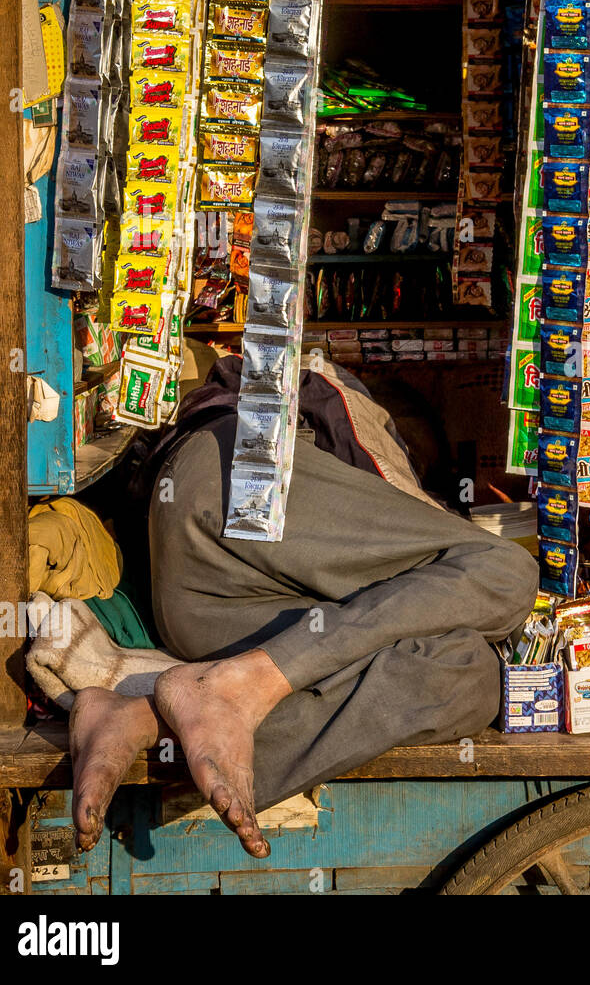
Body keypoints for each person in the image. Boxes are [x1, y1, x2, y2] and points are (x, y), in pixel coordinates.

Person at [66, 357, 538, 859]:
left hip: (205, 615)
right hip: (233, 487)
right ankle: (249, 684)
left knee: (471, 675)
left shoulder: (369, 531)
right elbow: (485, 567)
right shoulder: (363, 429)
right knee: (508, 570)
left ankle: (140, 718)